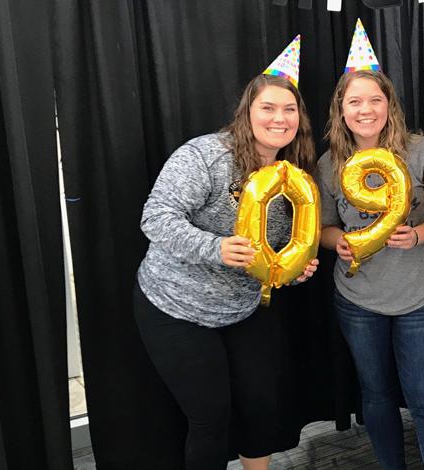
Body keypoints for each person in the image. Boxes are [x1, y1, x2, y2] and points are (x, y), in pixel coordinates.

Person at [133, 36, 318, 470]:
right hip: (176, 307)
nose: (279, 118)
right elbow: (155, 218)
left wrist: (292, 271)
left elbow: (279, 251)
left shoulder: (295, 176)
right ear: (247, 112)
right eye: (268, 108)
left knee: (261, 406)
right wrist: (216, 247)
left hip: (243, 307)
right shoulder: (205, 155)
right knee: (210, 418)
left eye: (289, 109)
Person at [315, 21, 424, 470]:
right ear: (341, 109)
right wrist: (339, 242)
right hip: (358, 300)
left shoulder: (422, 151)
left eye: (374, 100)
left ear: (389, 105)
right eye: (354, 101)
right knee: (375, 395)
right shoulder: (328, 164)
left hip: (421, 299)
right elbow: (321, 228)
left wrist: (417, 234)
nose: (365, 110)